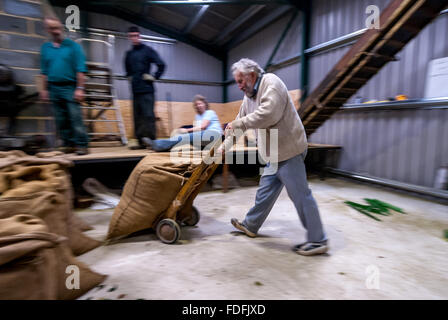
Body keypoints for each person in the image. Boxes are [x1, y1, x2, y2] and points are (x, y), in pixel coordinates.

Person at [223, 58, 328, 256]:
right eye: (237, 82)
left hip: (289, 151)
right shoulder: (249, 97)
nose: (239, 86)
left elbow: (268, 114)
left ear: (251, 75)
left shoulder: (272, 83)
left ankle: (318, 240)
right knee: (264, 193)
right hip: (272, 153)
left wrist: (237, 125)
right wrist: (224, 147)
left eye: (240, 81)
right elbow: (239, 123)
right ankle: (251, 225)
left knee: (300, 195)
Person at [39, 16, 89, 155]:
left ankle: (82, 144)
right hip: (53, 87)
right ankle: (68, 144)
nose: (56, 31)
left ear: (61, 27)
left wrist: (80, 88)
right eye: (52, 28)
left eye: (57, 28)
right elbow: (44, 71)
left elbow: (81, 70)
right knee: (60, 119)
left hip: (70, 87)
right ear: (47, 30)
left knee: (75, 117)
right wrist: (44, 89)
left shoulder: (73, 47)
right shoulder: (46, 48)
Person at [125, 26, 166, 150]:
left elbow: (161, 64)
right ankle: (140, 142)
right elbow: (127, 70)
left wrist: (154, 76)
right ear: (129, 37)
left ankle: (152, 142)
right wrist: (129, 77)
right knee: (137, 117)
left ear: (140, 36)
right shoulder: (129, 54)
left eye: (136, 35)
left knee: (148, 116)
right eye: (132, 36)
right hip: (135, 91)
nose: (134, 38)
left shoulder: (148, 50)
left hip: (147, 90)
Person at [143, 95, 223, 152]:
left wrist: (186, 130)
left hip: (214, 135)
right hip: (205, 139)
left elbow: (202, 127)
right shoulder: (197, 116)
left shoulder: (210, 112)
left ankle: (158, 144)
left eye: (200, 103)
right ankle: (162, 147)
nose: (198, 105)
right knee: (183, 139)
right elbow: (197, 132)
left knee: (184, 137)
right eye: (196, 104)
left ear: (205, 104)